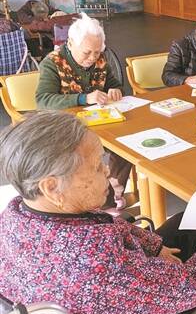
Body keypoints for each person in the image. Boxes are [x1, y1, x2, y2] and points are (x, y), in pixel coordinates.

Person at [0, 111, 196, 314]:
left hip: (108, 296)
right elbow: (194, 285)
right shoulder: (94, 266)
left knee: (186, 223)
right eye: (96, 167)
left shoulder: (16, 213)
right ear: (51, 187)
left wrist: (155, 247)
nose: (107, 171)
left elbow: (104, 224)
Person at [35, 13, 128, 209]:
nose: (92, 58)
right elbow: (43, 101)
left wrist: (115, 90)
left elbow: (114, 84)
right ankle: (102, 200)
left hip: (98, 122)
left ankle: (113, 187)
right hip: (66, 127)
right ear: (70, 43)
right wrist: (83, 98)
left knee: (127, 144)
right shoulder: (53, 63)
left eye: (97, 52)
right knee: (86, 155)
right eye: (87, 52)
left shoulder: (100, 60)